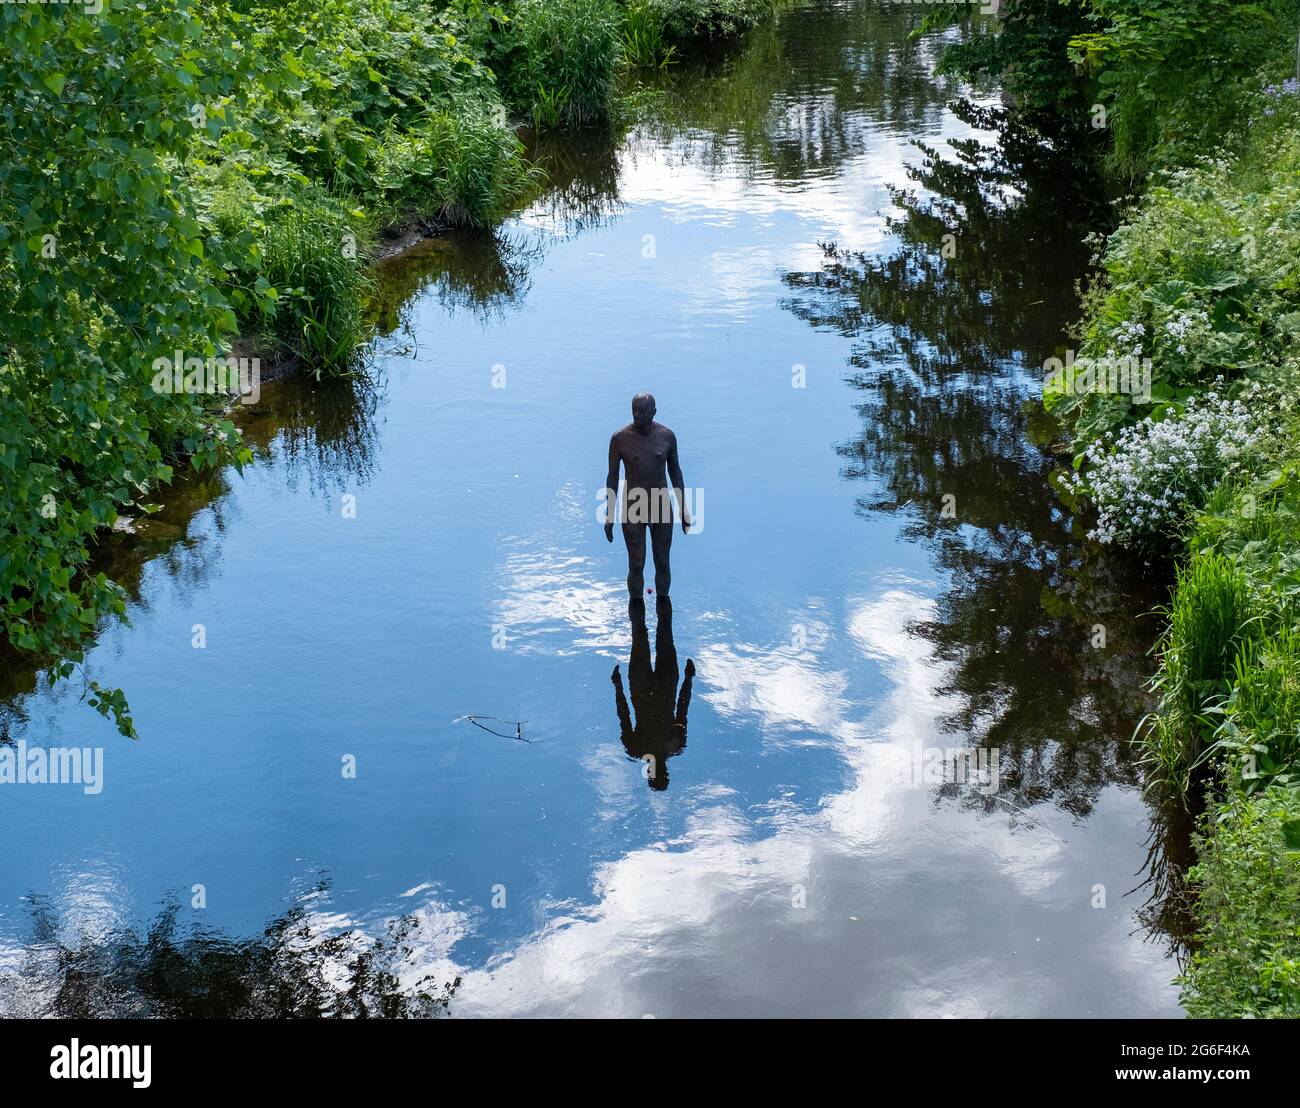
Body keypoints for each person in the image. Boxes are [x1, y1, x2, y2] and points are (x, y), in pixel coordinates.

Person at [603, 393, 690, 601]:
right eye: (634, 410)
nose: (636, 415)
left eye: (642, 411)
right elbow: (612, 478)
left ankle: (663, 606)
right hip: (633, 506)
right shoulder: (620, 439)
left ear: (653, 412)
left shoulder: (667, 436)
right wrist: (609, 514)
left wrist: (683, 508)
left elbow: (675, 472)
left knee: (662, 562)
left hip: (661, 506)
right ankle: (636, 612)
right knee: (636, 564)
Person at [612, 598, 695, 791]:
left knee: (659, 629)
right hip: (652, 686)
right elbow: (623, 714)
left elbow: (683, 707)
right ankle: (649, 591)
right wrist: (618, 686)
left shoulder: (670, 745)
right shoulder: (644, 748)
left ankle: (646, 590)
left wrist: (688, 679)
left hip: (653, 686)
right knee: (648, 630)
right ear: (651, 773)